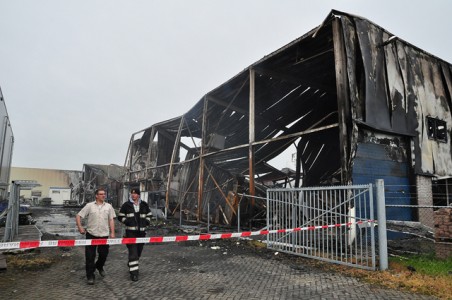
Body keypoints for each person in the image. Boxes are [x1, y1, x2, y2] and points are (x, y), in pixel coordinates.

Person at [76, 188, 116, 285]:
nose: (103, 196)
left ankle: (99, 266)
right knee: (90, 257)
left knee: (103, 254)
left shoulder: (109, 207)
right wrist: (80, 227)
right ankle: (90, 276)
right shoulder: (89, 206)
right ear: (96, 196)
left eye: (104, 194)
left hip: (104, 235)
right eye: (101, 194)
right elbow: (78, 215)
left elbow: (111, 220)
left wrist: (112, 232)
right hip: (91, 235)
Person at [118, 187, 152, 281]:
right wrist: (127, 221)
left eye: (135, 193)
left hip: (141, 233)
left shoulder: (144, 204)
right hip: (130, 233)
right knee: (133, 253)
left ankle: (132, 263)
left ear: (138, 195)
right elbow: (120, 216)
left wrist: (146, 222)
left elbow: (149, 214)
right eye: (132, 193)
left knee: (138, 252)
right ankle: (134, 274)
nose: (133, 195)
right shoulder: (126, 205)